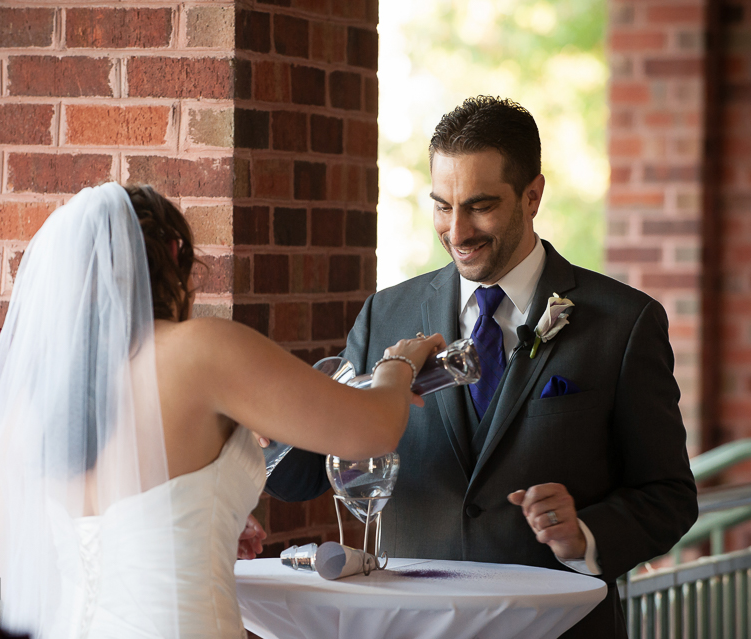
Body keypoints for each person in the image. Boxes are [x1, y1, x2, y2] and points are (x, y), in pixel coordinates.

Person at [265, 96, 699, 637]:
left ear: (533, 195)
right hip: (409, 626)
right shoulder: (387, 313)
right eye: (442, 205)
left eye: (480, 205)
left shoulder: (625, 322)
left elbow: (668, 495)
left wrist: (582, 535)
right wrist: (267, 423)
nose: (457, 230)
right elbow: (302, 474)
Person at [0, 182, 442, 638]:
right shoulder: (197, 350)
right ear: (174, 254)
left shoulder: (26, 402)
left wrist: (200, 534)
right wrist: (398, 365)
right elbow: (373, 429)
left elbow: (24, 563)